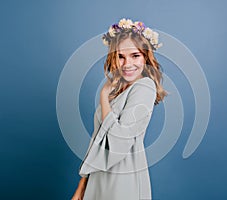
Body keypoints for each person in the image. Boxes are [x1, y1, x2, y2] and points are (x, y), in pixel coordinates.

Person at [71, 18, 167, 200]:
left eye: (135, 56)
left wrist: (103, 95)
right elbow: (98, 139)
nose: (127, 64)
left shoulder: (144, 87)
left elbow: (118, 141)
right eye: (120, 56)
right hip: (99, 176)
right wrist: (81, 187)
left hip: (124, 178)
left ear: (146, 57)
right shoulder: (117, 90)